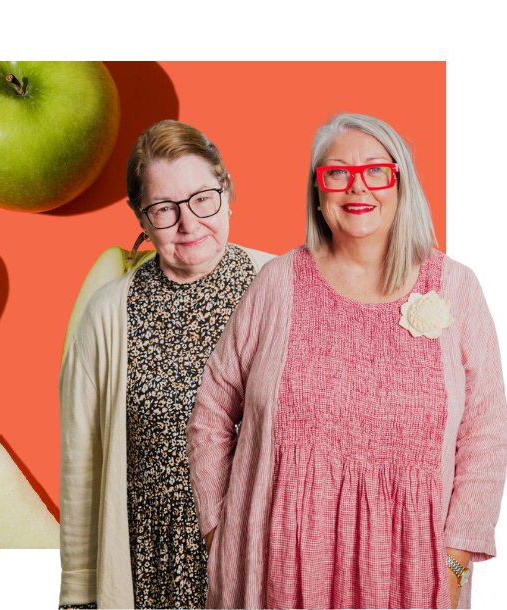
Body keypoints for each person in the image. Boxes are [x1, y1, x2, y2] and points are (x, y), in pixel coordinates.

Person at [186, 112, 507, 609]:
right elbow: (211, 408)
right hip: (276, 569)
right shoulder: (278, 283)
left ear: (401, 183)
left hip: (412, 572)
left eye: (376, 170)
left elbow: (488, 432)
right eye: (336, 173)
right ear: (318, 192)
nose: (357, 188)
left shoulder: (456, 288)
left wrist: (457, 560)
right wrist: (219, 531)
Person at [58, 120, 274, 609]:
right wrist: (77, 591)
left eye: (203, 198)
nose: (189, 223)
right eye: (163, 209)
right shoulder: (108, 313)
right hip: (150, 565)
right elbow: (81, 463)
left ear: (227, 190)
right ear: (140, 218)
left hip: (263, 561)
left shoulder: (283, 287)